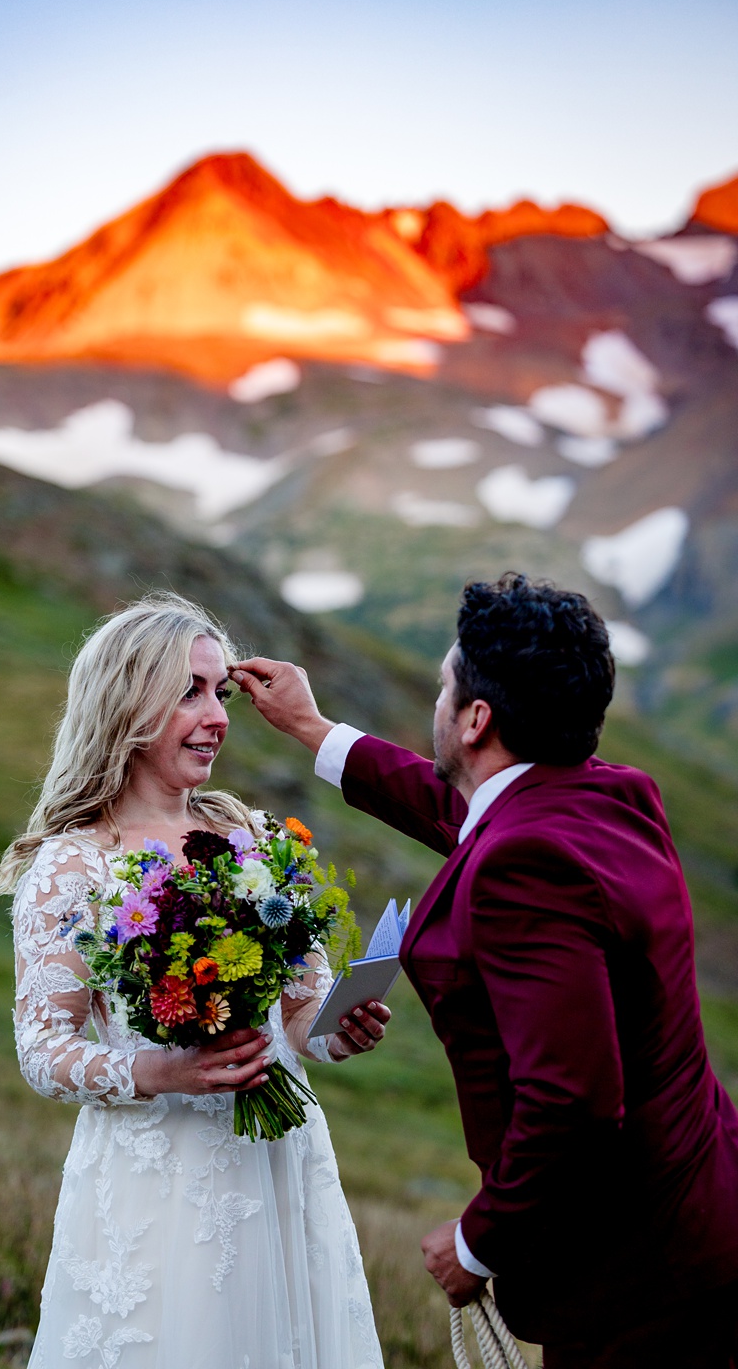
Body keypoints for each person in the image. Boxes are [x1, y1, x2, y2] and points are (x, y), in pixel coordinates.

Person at [232, 573, 738, 1368]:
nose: (436, 702)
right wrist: (315, 730)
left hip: (638, 1275)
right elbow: (469, 815)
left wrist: (476, 1242)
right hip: (702, 1219)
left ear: (475, 719)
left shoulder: (522, 865)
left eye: (443, 686)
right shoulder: (613, 798)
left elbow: (574, 1099)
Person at [0, 592, 389, 1369]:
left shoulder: (254, 839)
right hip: (159, 1185)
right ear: (128, 703)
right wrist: (161, 1069)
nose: (218, 715)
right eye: (190, 692)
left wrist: (343, 1031)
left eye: (222, 692)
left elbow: (305, 1017)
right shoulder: (75, 863)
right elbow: (42, 1049)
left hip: (280, 1162)